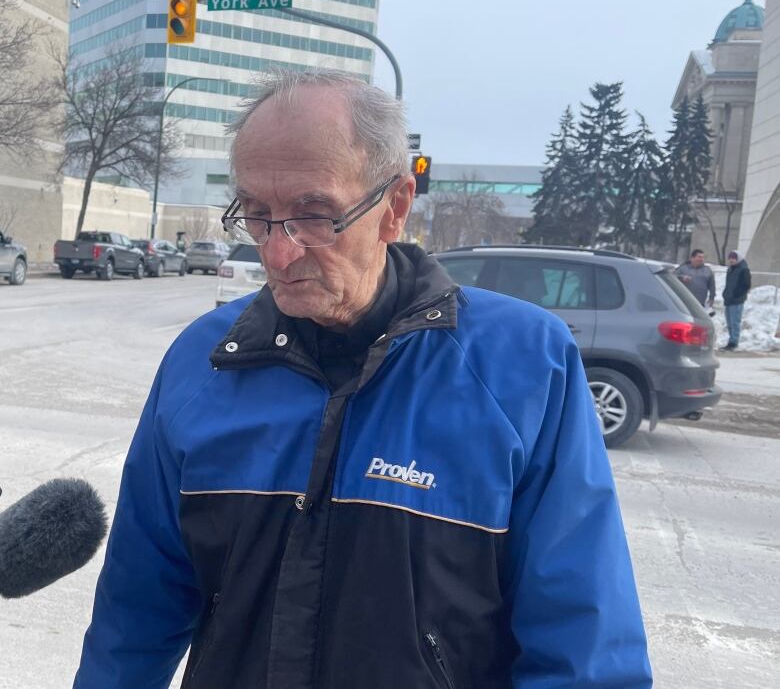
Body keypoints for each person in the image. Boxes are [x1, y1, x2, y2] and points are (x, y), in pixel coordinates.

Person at [73, 69, 652, 688]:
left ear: (394, 207)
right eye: (257, 214)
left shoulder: (525, 364)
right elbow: (134, 613)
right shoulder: (201, 361)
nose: (276, 251)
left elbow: (583, 644)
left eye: (314, 214)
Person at [721, 250, 752, 351]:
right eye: (730, 258)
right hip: (729, 299)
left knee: (735, 322)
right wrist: (725, 294)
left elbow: (746, 285)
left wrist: (736, 295)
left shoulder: (743, 269)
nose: (731, 260)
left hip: (737, 300)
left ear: (738, 258)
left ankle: (734, 342)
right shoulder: (730, 269)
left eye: (733, 258)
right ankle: (731, 341)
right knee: (729, 322)